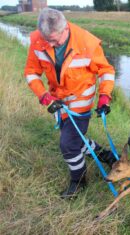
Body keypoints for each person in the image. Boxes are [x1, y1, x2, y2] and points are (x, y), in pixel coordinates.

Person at [24, 8, 117, 199]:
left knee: (68, 144)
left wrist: (105, 96)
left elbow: (106, 71)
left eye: (54, 40)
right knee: (75, 139)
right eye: (46, 40)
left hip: (81, 99)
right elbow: (31, 73)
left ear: (65, 28)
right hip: (57, 100)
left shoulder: (87, 42)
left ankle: (79, 181)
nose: (49, 44)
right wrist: (44, 96)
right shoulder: (37, 39)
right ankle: (104, 155)